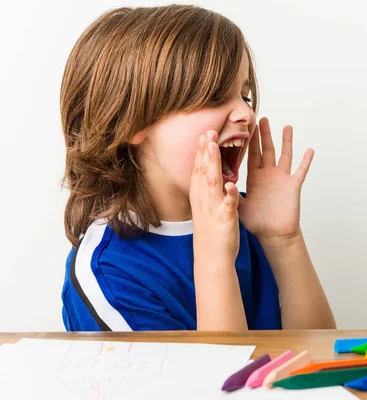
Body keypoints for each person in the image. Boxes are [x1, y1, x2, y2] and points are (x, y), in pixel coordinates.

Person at [59, 5, 336, 331]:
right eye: (215, 96)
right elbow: (220, 380)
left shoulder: (250, 221)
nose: (245, 114)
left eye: (245, 96)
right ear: (130, 123)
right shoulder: (107, 273)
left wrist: (282, 239)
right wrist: (213, 259)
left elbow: (319, 360)